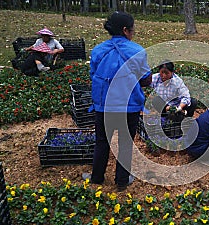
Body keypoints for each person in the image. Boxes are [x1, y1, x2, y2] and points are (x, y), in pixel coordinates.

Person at [82, 11, 152, 192]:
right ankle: (122, 180)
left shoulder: (98, 50)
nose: (133, 32)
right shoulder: (136, 51)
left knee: (102, 141)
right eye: (132, 29)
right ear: (125, 30)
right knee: (125, 143)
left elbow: (94, 75)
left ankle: (96, 178)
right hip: (129, 107)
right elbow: (146, 80)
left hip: (104, 106)